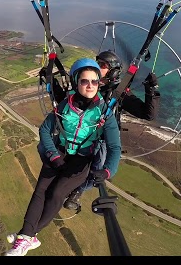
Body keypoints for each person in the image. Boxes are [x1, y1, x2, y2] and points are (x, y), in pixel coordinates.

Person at [4, 58, 122, 256]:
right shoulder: (64, 106)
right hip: (59, 152)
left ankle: (25, 237)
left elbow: (114, 147)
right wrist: (53, 155)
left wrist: (108, 170)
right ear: (77, 82)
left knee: (57, 193)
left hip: (82, 160)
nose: (91, 85)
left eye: (95, 81)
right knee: (40, 190)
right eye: (85, 81)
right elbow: (45, 130)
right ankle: (26, 237)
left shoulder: (104, 113)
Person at [62, 49, 161, 211]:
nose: (97, 67)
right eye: (97, 62)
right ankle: (66, 185)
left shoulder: (119, 93)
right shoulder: (89, 84)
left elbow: (148, 114)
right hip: (82, 135)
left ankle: (77, 191)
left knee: (98, 168)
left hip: (103, 140)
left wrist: (151, 89)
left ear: (112, 71)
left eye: (102, 65)